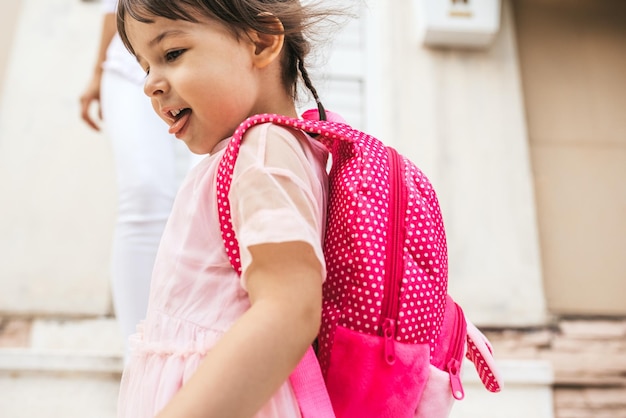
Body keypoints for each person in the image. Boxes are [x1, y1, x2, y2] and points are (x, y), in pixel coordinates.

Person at [114, 0, 340, 417]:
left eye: (172, 54)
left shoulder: (263, 152)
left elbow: (289, 308)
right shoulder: (259, 153)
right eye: (146, 66)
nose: (150, 84)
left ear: (262, 42)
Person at [79, 0, 202, 358]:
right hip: (130, 62)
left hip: (201, 48)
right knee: (144, 194)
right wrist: (97, 73)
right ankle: (140, 356)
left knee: (211, 193)